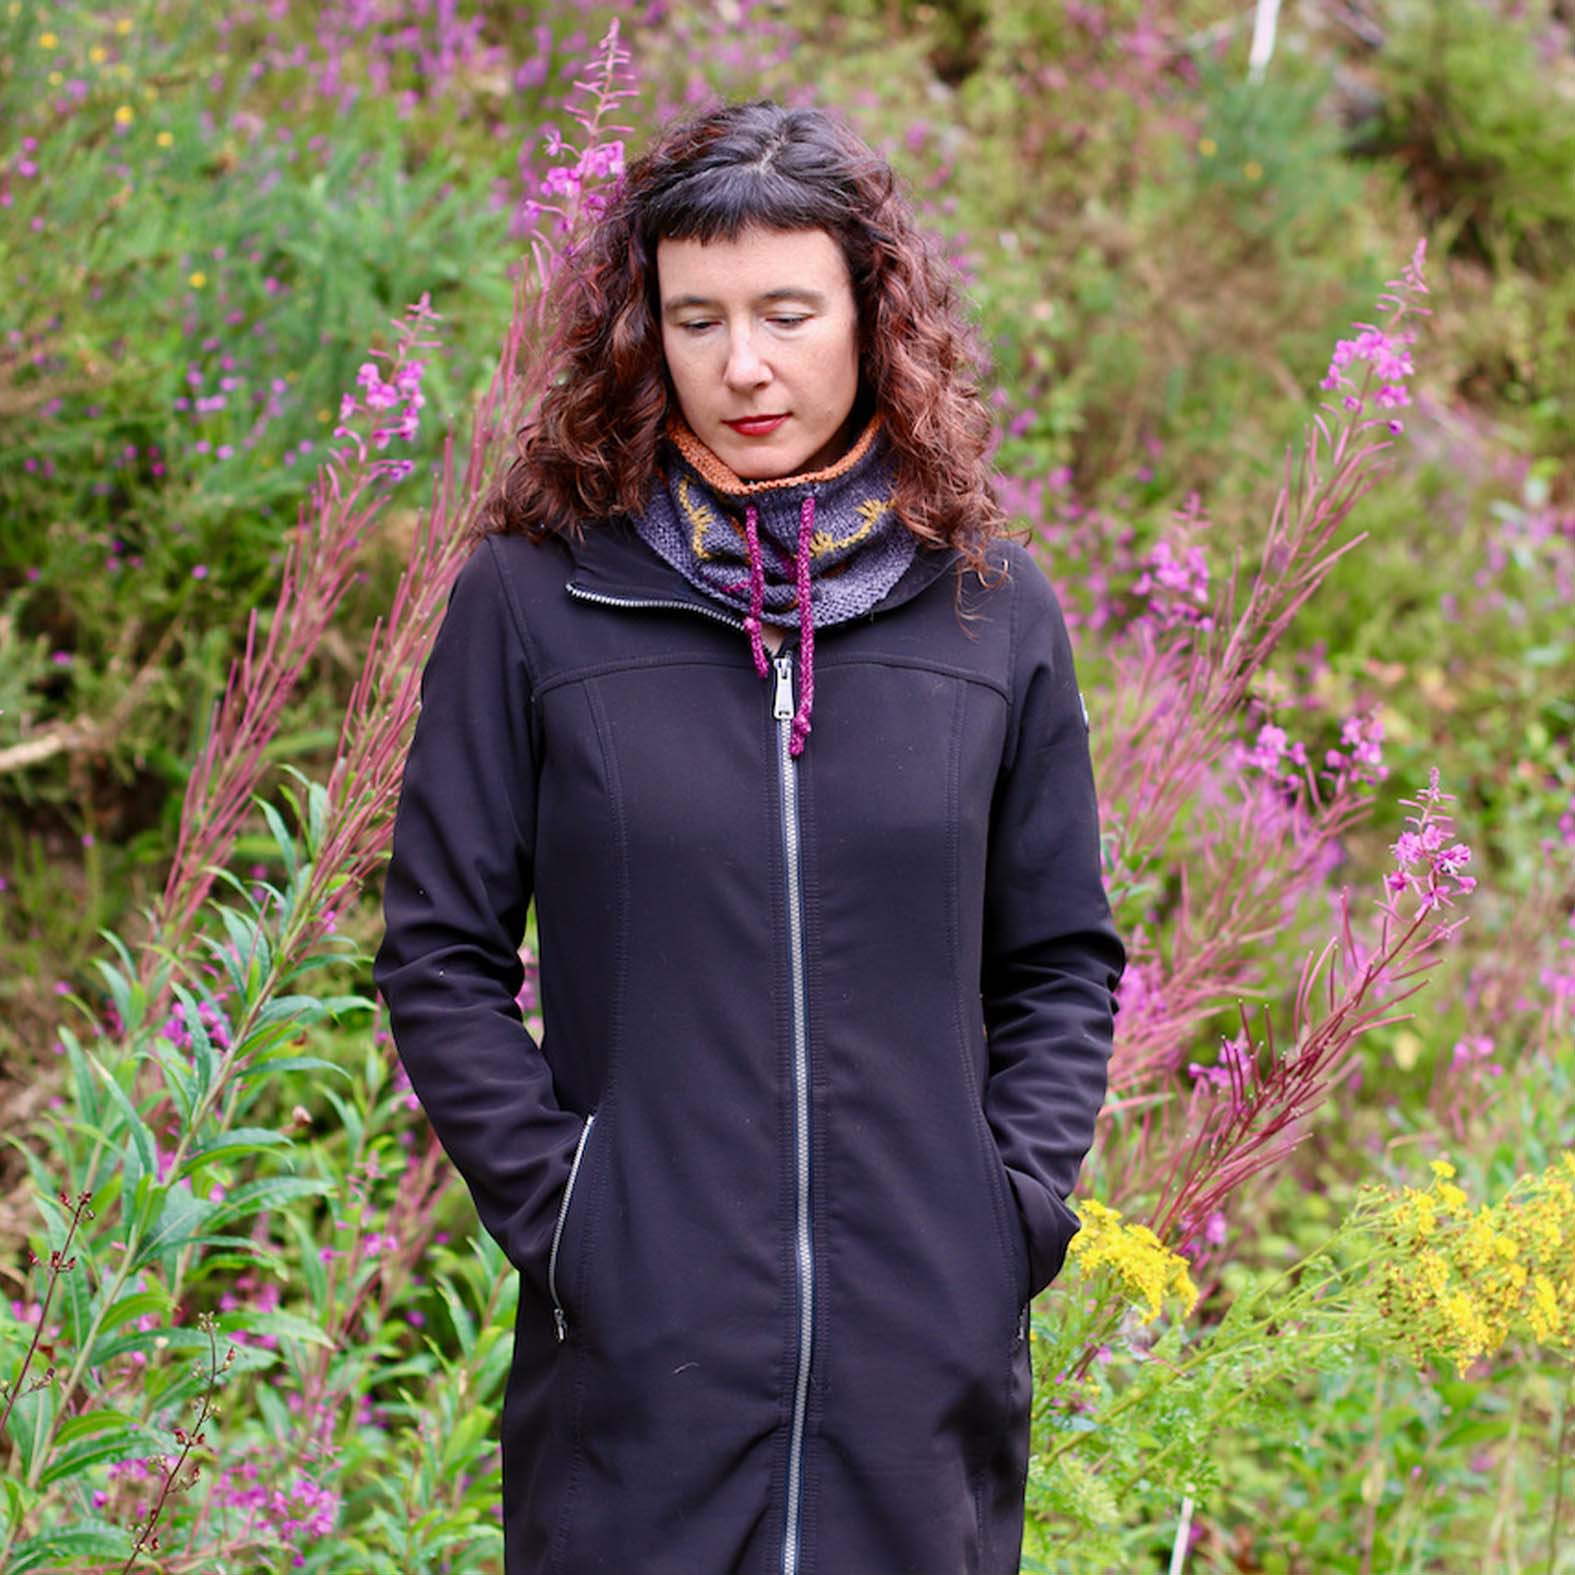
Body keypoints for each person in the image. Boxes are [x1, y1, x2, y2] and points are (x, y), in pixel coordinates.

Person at [372, 97, 1127, 1575]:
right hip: (635, 1389)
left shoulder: (991, 610)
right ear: (643, 333)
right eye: (696, 319)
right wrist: (574, 1218)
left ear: (872, 316)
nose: (744, 366)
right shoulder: (536, 601)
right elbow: (439, 957)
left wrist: (1007, 1217)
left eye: (788, 312)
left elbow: (1060, 960)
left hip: (920, 1389)